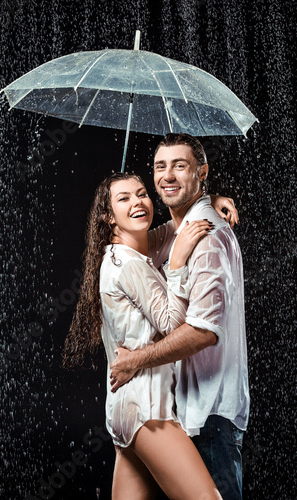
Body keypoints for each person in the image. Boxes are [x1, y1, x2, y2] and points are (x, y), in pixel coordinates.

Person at [63, 172, 237, 499]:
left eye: (142, 193)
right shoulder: (128, 264)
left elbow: (171, 232)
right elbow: (174, 323)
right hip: (147, 409)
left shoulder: (123, 252)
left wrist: (206, 205)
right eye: (124, 198)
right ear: (108, 216)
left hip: (123, 410)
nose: (138, 202)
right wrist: (179, 262)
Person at [110, 134, 250, 500]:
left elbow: (203, 332)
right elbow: (152, 242)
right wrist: (202, 200)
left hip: (207, 414)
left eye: (180, 166)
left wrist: (207, 201)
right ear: (107, 216)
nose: (167, 175)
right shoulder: (137, 253)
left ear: (202, 172)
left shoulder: (204, 236)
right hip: (165, 410)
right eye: (160, 166)